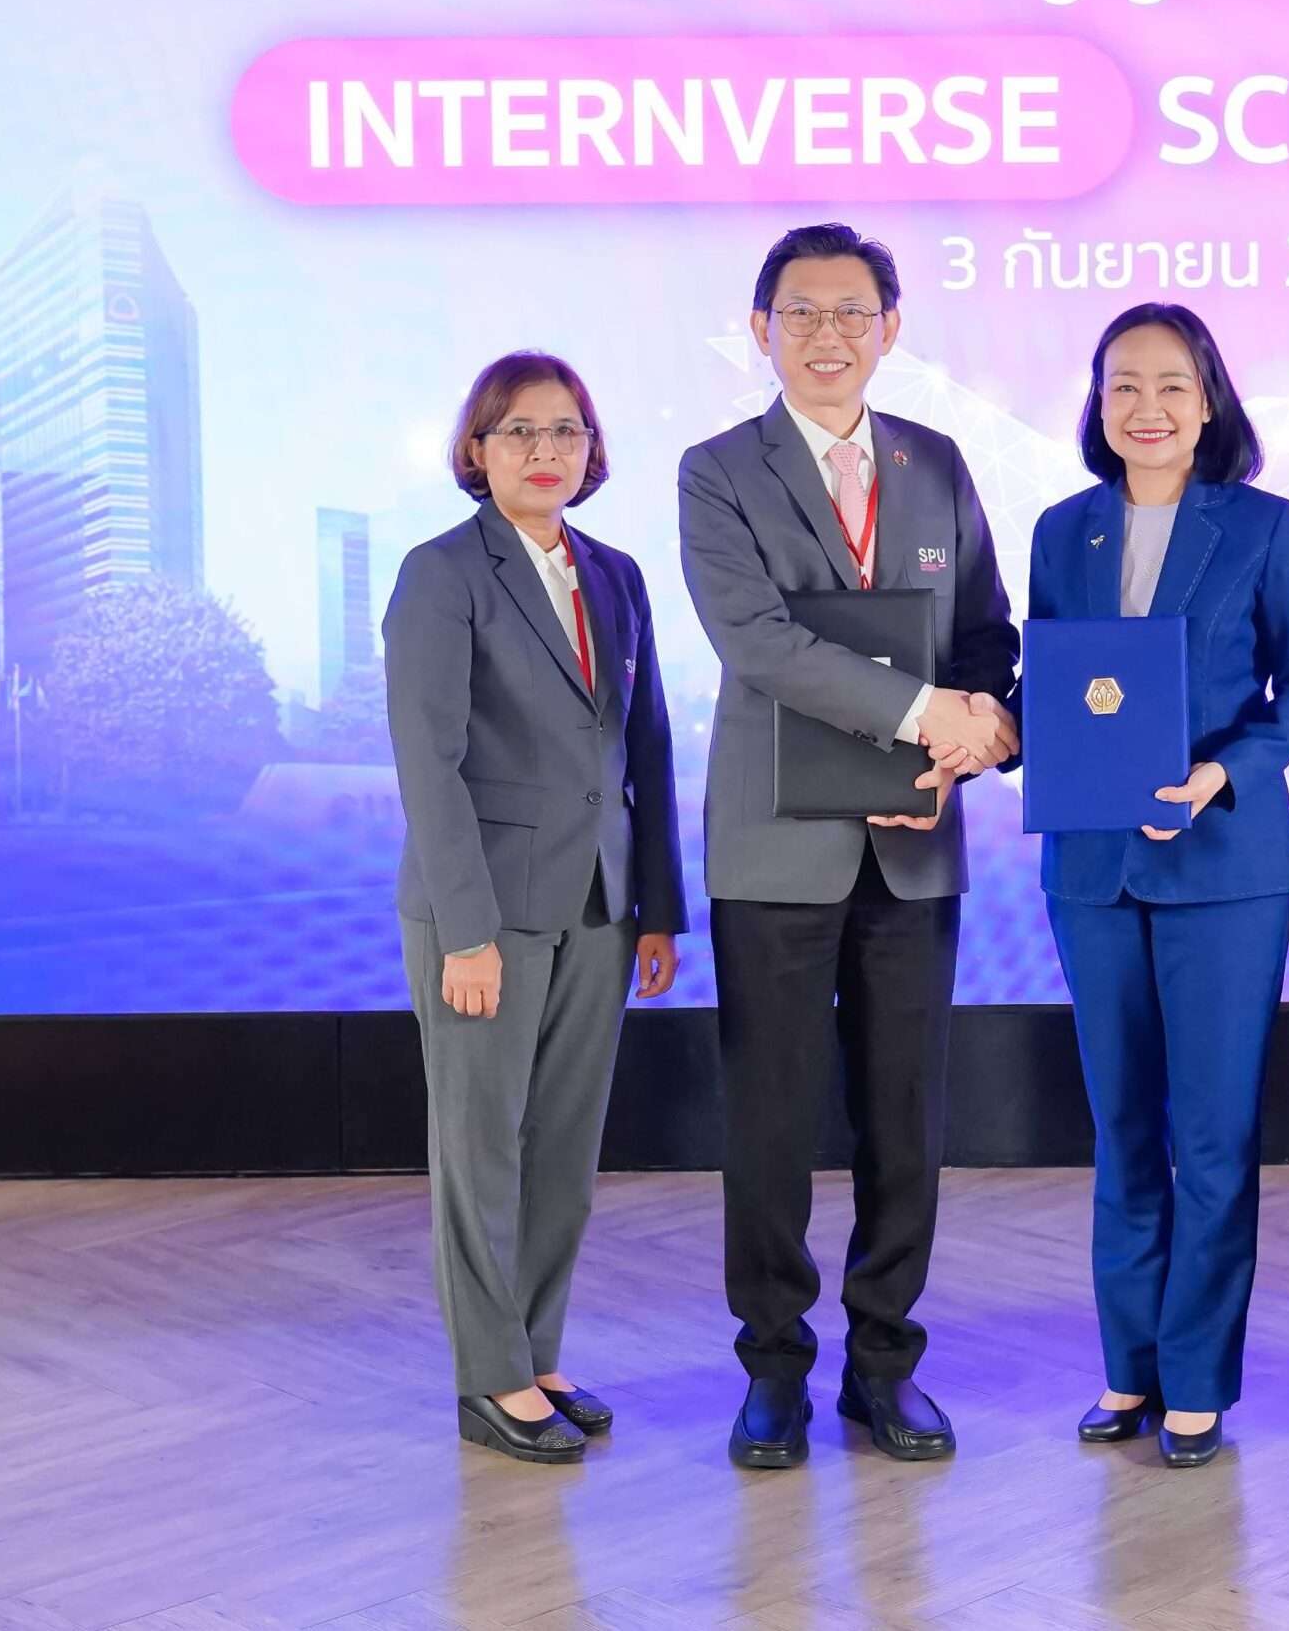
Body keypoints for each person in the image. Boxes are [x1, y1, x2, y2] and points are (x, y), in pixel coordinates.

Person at [678, 223, 1019, 1470]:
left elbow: (984, 635)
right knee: (769, 1122)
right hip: (776, 844)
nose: (828, 335)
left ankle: (884, 1364)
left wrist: (984, 736)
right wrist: (926, 715)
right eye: (802, 313)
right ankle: (773, 1369)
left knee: (903, 1116)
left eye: (852, 313)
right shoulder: (717, 472)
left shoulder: (937, 462)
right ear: (760, 329)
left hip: (914, 842)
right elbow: (761, 644)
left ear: (891, 328)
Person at [1022, 302, 1289, 1468]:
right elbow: (1051, 683)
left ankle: (1196, 1380)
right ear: (1097, 403)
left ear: (1209, 402)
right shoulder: (1063, 531)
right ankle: (1128, 1370)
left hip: (1221, 872)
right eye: (1122, 385)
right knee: (1119, 1130)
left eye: (1169, 385)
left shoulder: (1265, 526)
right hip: (1092, 869)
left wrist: (1223, 772)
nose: (1144, 407)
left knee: (1209, 1136)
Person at [383, 350, 687, 1465]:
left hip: (600, 902)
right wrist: (465, 932)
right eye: (518, 431)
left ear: (590, 450)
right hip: (487, 913)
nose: (545, 450)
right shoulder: (441, 573)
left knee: (562, 1148)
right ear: (478, 450)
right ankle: (491, 1375)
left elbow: (646, 743)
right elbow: (429, 764)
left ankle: (538, 1352)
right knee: (481, 1149)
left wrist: (657, 906)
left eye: (565, 431)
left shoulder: (615, 575)